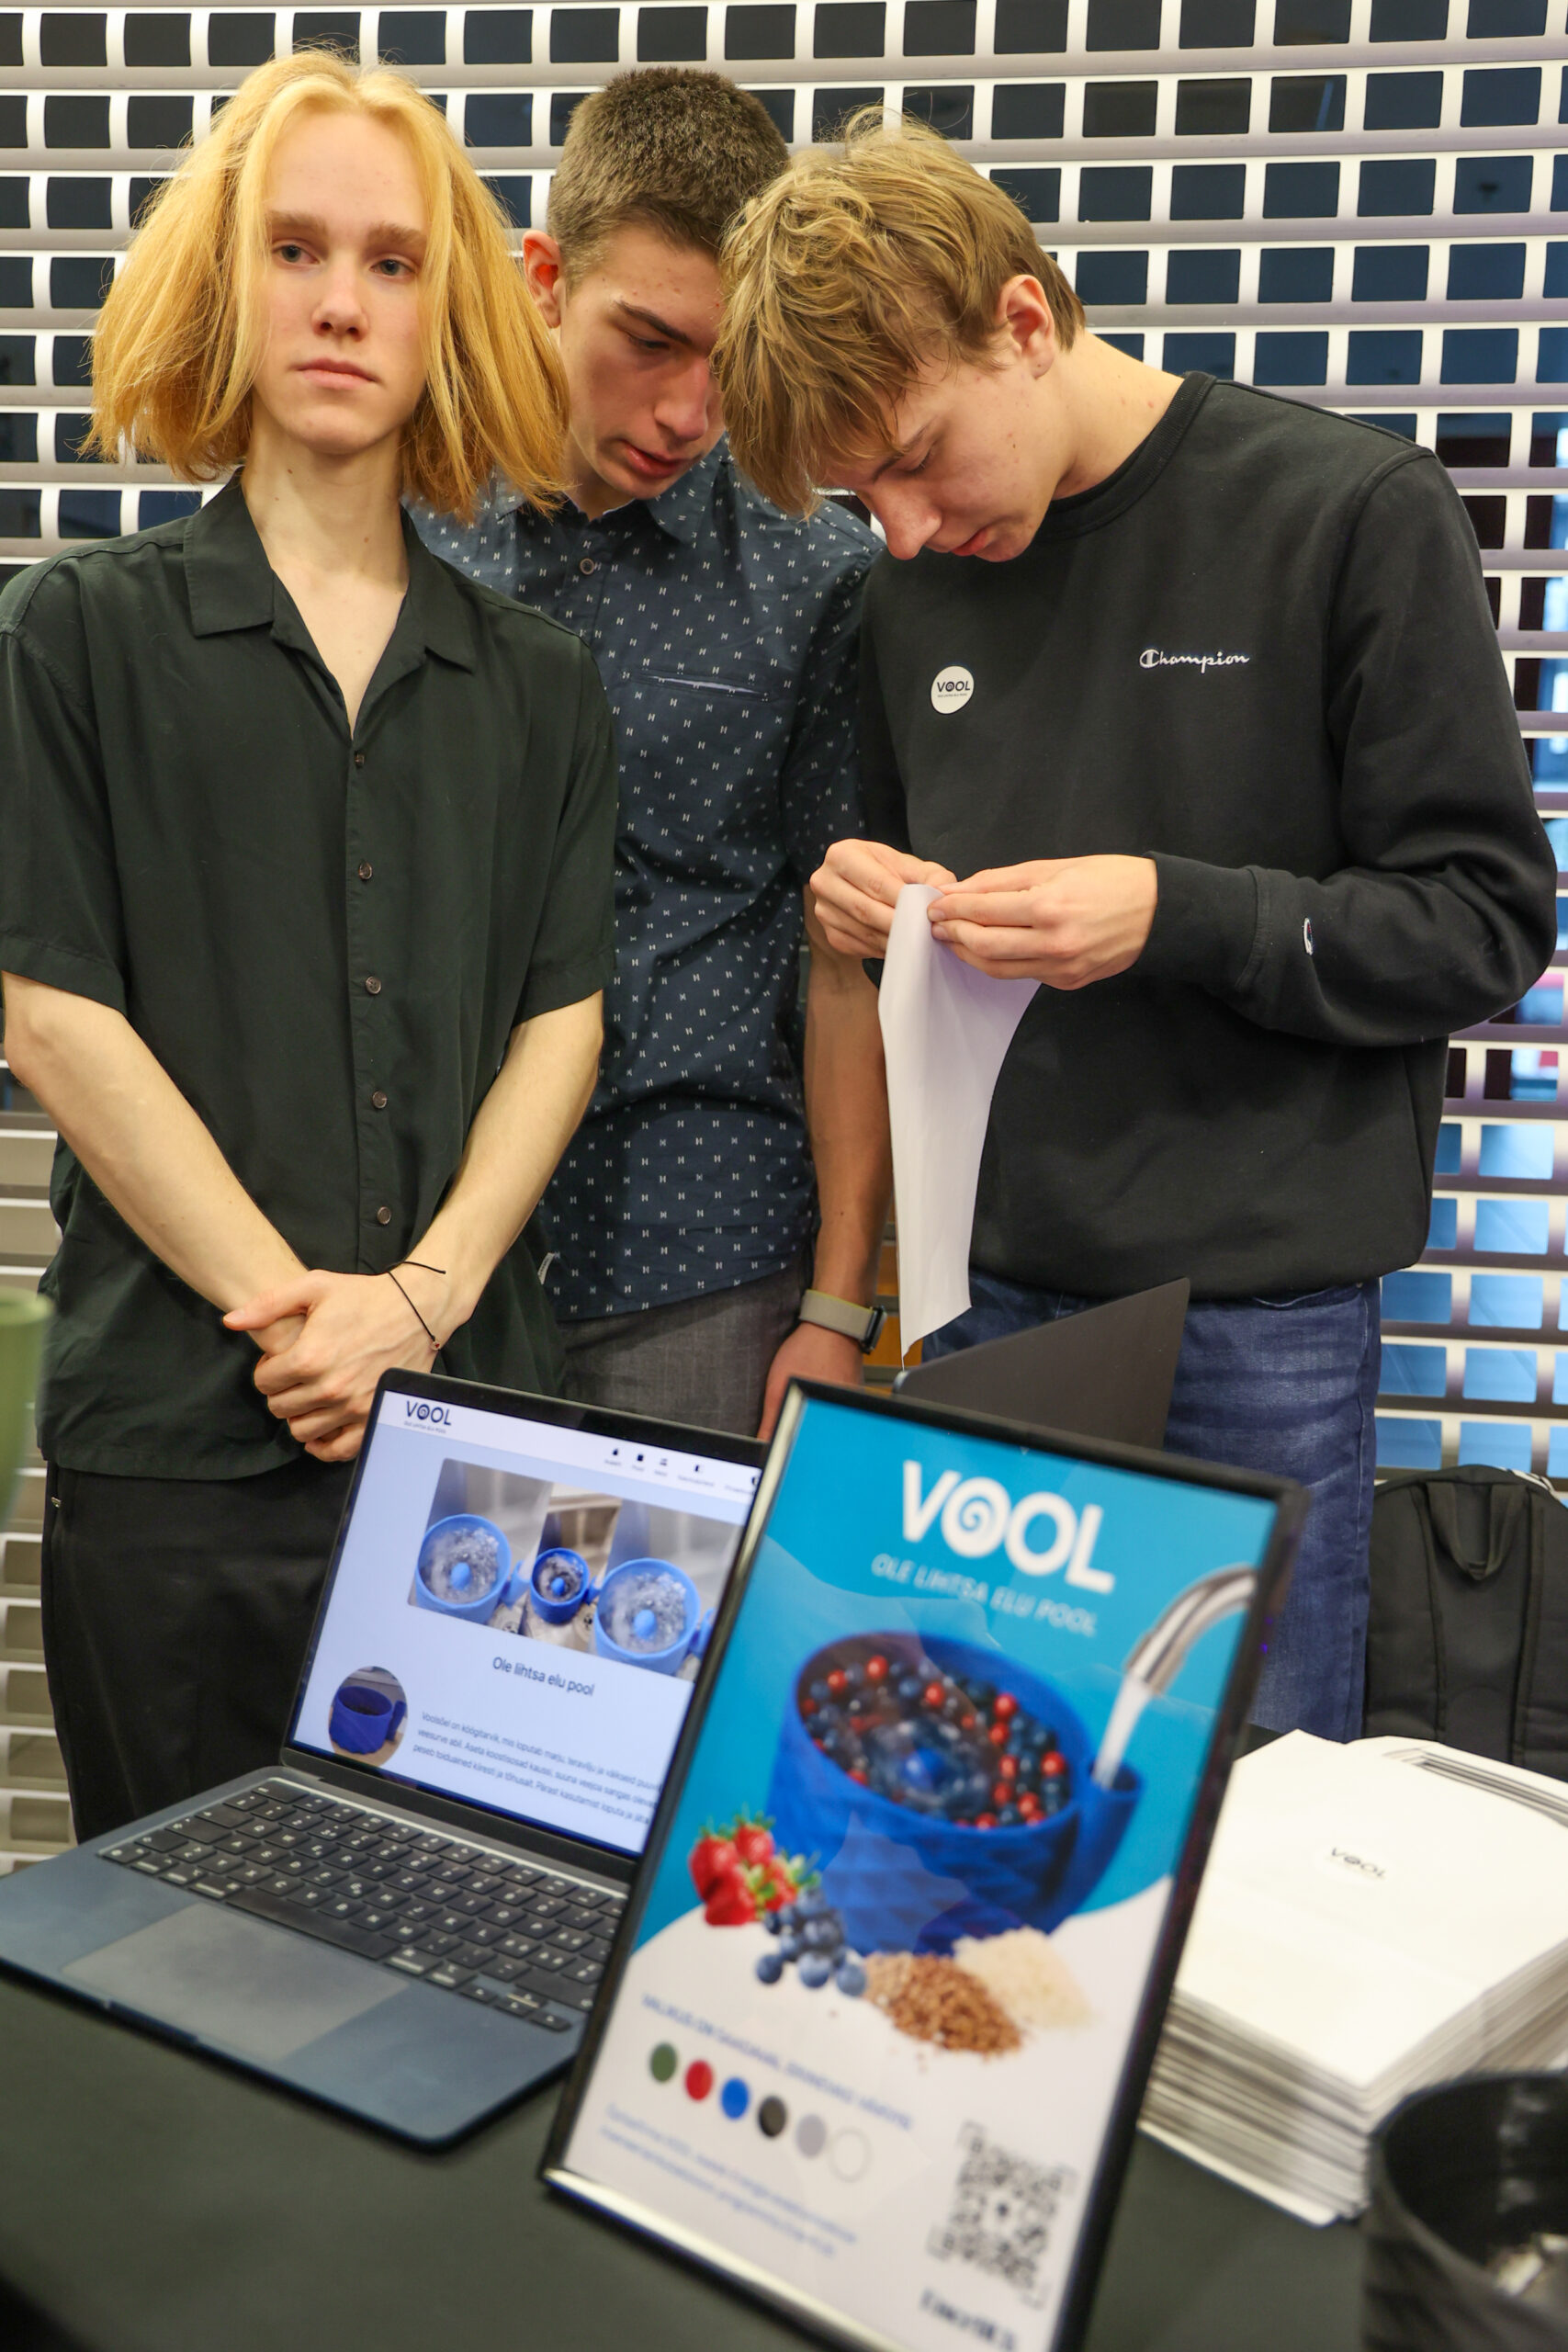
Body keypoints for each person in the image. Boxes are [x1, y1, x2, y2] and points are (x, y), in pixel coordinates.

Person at [713, 113, 1558, 1739]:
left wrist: (1177, 912)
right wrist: (857, 908)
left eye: (914, 458)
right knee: (992, 1788)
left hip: (1258, 1330)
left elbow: (1481, 922)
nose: (901, 529)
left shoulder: (1347, 513)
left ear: (1025, 321)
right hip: (982, 1311)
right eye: (858, 494)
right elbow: (903, 936)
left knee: (1250, 1811)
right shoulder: (909, 591)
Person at [0, 54, 617, 1836]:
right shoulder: (71, 639)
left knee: (470, 1936)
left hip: (474, 1443)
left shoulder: (540, 686)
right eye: (294, 249)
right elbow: (51, 1013)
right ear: (226, 281)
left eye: (391, 261)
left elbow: (560, 1024)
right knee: (172, 1966)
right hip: (178, 1450)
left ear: (449, 311)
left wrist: (415, 1305)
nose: (341, 302)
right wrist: (308, 1322)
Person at [418, 70, 889, 1442]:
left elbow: (846, 958)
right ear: (545, 280)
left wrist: (840, 1303)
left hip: (699, 1252)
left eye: (733, 363)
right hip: (414, 1241)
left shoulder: (816, 575)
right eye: (651, 340)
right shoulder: (396, 520)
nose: (692, 411)